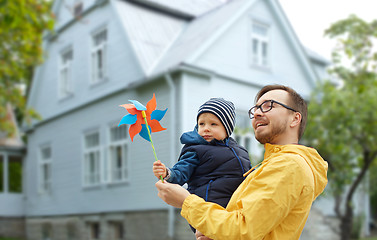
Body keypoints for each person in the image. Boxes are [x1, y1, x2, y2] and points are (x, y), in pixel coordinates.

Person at [155, 84, 328, 240]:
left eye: (269, 106)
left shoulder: (287, 165)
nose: (258, 113)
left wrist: (186, 201)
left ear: (295, 119)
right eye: (256, 109)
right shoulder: (271, 164)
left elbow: (243, 230)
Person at [153, 97, 251, 233]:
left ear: (227, 128)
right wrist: (168, 173)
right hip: (207, 207)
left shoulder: (240, 150)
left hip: (235, 210)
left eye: (213, 124)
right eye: (202, 124)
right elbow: (181, 172)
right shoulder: (195, 149)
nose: (206, 129)